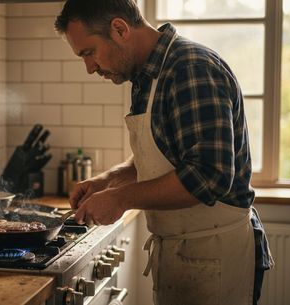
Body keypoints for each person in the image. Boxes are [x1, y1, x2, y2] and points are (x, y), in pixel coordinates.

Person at [54, 0, 274, 304]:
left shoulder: (190, 69)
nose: (90, 67)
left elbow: (209, 176)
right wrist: (109, 180)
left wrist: (120, 200)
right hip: (183, 253)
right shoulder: (146, 77)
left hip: (216, 253)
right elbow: (162, 156)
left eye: (89, 52)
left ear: (119, 29)